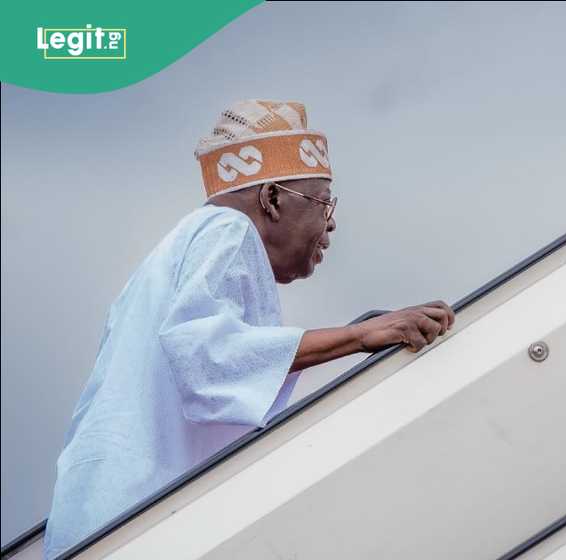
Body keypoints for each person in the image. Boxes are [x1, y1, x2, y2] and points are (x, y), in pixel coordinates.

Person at [42, 100, 455, 558]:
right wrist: (357, 338)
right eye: (323, 202)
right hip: (138, 522)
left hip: (103, 516)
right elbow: (206, 358)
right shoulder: (228, 228)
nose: (331, 221)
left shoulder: (176, 251)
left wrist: (351, 335)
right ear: (272, 199)